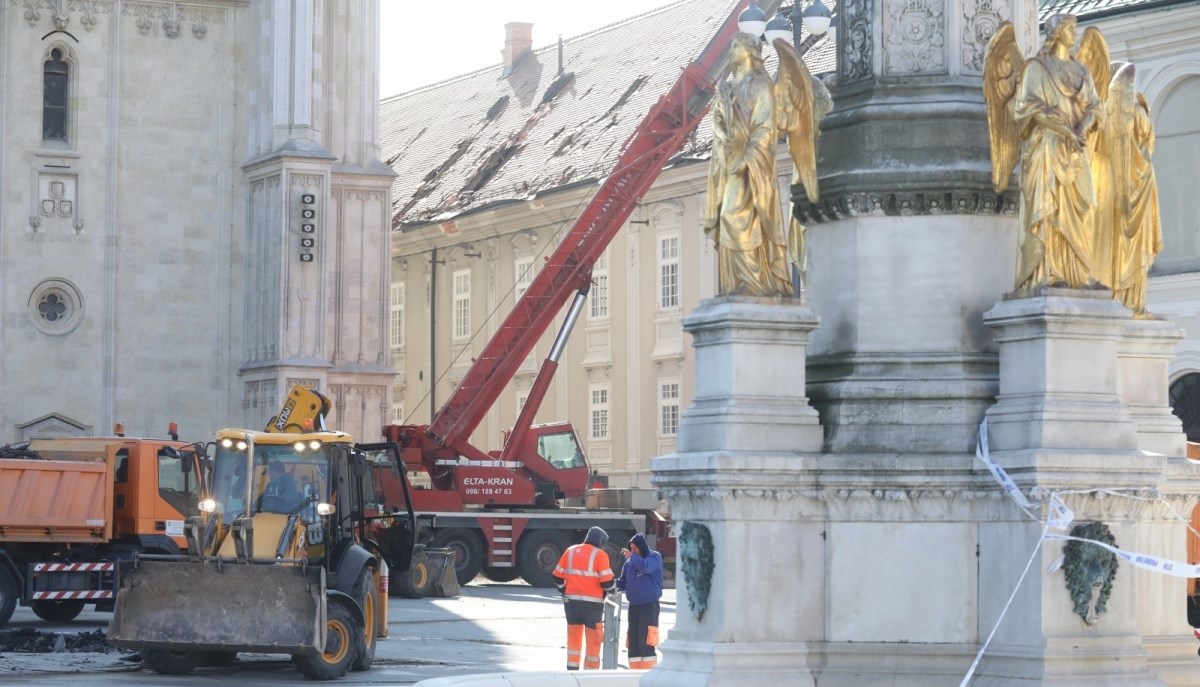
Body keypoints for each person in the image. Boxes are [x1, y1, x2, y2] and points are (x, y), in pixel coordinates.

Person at [1012, 14, 1104, 290]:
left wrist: (1082, 130)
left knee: (1084, 206)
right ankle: (1049, 273)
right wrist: (1067, 132)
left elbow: (1096, 108)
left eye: (1075, 28)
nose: (1074, 33)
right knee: (1049, 209)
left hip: (1075, 151)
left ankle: (1081, 273)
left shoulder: (1081, 71)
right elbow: (1026, 108)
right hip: (1047, 149)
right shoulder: (1037, 69)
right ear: (1057, 32)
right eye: (1069, 28)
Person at [703, 31, 793, 297]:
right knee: (726, 216)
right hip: (731, 161)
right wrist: (720, 120)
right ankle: (736, 282)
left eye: (735, 45)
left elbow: (766, 128)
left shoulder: (760, 85)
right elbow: (720, 122)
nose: (731, 50)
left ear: (749, 51)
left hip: (752, 166)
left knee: (734, 216)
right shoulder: (730, 88)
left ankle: (754, 281)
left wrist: (748, 158)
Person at [552, 526, 615, 670]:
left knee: (574, 640)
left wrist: (564, 590)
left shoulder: (570, 551)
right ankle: (590, 674)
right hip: (592, 606)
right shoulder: (600, 555)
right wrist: (614, 590)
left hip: (571, 604)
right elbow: (606, 583)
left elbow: (557, 576)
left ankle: (572, 671)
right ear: (600, 541)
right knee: (593, 641)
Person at [614, 532, 663, 670]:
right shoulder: (630, 562)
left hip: (649, 606)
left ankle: (648, 675)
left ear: (642, 546)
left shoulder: (654, 557)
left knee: (646, 642)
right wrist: (611, 586)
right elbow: (622, 581)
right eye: (631, 548)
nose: (633, 551)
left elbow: (646, 567)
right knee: (633, 642)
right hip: (634, 606)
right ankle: (634, 675)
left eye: (636, 548)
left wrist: (632, 557)